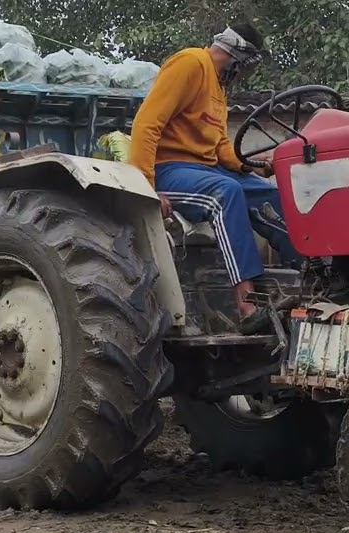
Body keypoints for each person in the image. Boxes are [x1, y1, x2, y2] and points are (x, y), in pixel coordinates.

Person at [129, 20, 304, 334]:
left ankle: (313, 278)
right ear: (240, 57)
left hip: (206, 169)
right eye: (248, 66)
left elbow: (221, 146)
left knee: (268, 193)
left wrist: (252, 166)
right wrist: (146, 187)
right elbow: (146, 124)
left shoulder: (218, 90)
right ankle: (247, 304)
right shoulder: (191, 64)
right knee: (225, 193)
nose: (245, 74)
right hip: (171, 170)